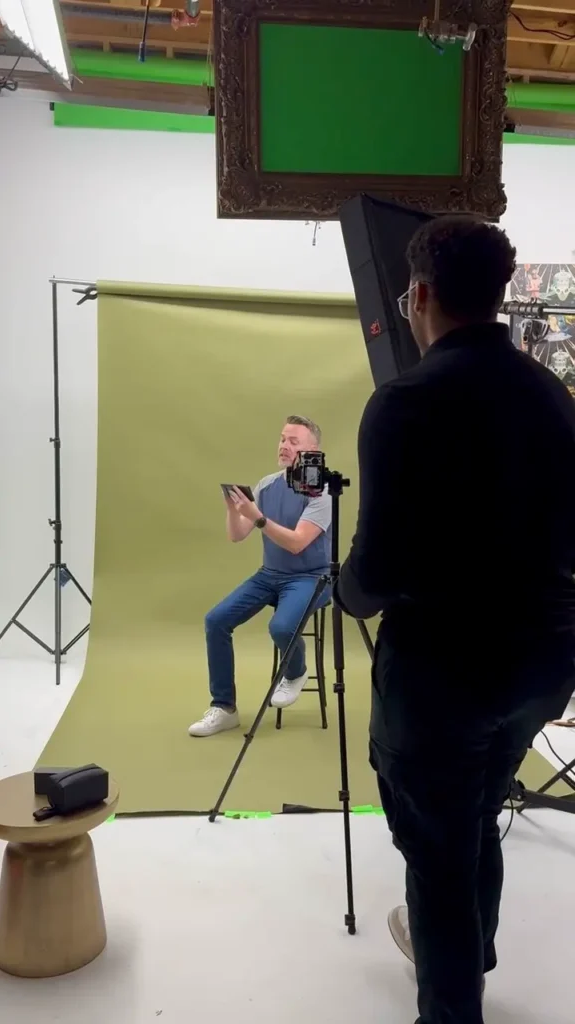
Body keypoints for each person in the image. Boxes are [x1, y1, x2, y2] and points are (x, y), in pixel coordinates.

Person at [336, 215, 575, 1024]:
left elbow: (374, 573)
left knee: (437, 854)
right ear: (500, 292)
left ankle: (450, 1002)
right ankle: (475, 950)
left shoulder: (403, 402)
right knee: (477, 812)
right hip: (542, 667)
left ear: (419, 296)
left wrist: (343, 593)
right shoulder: (554, 397)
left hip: (442, 677)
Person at [189, 415, 331, 738]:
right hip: (270, 575)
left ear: (312, 451)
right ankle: (224, 708)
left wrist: (258, 518)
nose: (284, 446)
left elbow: (297, 543)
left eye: (293, 441)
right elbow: (237, 535)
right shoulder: (267, 484)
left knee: (281, 627)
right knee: (216, 620)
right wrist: (233, 508)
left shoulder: (320, 490)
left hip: (312, 577)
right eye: (282, 439)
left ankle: (295, 672)